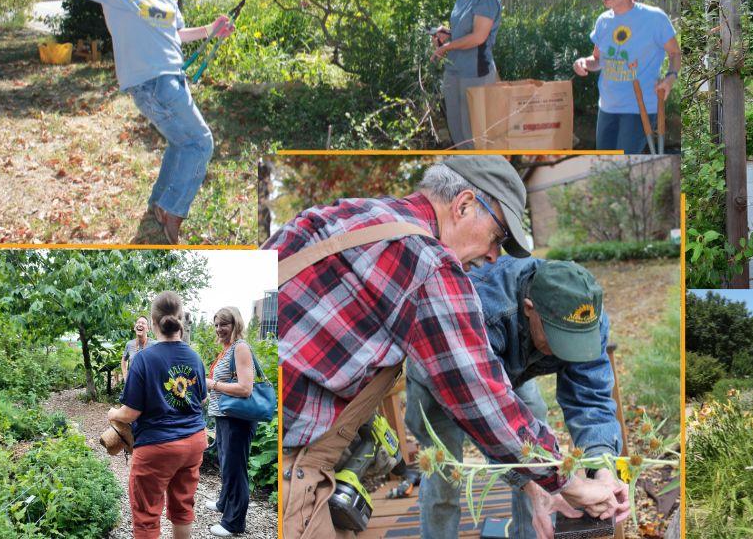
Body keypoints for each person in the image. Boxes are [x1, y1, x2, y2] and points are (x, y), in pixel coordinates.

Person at [266, 156, 630, 539]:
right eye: (498, 235)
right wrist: (569, 482)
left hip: (238, 432)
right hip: (285, 453)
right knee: (443, 475)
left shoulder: (342, 215)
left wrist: (596, 465)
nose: (494, 255)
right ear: (464, 205)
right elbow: (483, 403)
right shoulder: (434, 268)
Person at [406, 257, 622, 539]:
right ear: (529, 309)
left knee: (538, 448)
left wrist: (602, 467)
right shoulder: (480, 309)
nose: (567, 354)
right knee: (444, 474)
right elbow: (487, 418)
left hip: (505, 373)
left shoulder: (584, 314)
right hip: (441, 373)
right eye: (559, 341)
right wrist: (538, 484)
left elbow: (590, 399)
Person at [57, 0, 233, 243]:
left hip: (171, 78)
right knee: (201, 143)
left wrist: (212, 29)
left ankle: (158, 204)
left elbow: (175, 34)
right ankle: (173, 211)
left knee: (183, 142)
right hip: (153, 81)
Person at [108, 290, 208, 539]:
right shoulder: (194, 356)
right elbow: (203, 398)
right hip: (194, 441)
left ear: (153, 324)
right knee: (183, 505)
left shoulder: (143, 359)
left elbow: (131, 413)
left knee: (146, 514)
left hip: (157, 446)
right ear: (181, 321)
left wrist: (113, 412)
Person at [573, 0, 682, 154]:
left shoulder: (654, 18)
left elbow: (675, 53)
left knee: (624, 164)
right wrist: (583, 63)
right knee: (604, 163)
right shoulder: (603, 21)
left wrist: (670, 77)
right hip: (607, 107)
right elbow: (598, 60)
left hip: (639, 107)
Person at [431, 0, 503, 149]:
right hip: (454, 70)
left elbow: (479, 37)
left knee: (474, 136)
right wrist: (447, 35)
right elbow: (464, 32)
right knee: (457, 132)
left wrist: (446, 48)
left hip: (475, 74)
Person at [205, 307, 257, 537]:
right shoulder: (227, 350)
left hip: (237, 420)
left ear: (235, 323)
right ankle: (224, 503)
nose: (219, 329)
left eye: (224, 324)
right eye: (216, 324)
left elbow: (246, 388)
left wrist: (213, 385)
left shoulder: (241, 348)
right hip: (224, 418)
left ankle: (234, 523)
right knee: (227, 465)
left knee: (236, 469)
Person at [122, 315, 153, 382]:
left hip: (149, 384)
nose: (140, 324)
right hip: (133, 383)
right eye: (138, 322)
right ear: (134, 328)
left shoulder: (154, 344)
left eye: (143, 323)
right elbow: (124, 360)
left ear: (148, 329)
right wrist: (125, 376)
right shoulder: (129, 344)